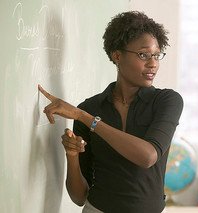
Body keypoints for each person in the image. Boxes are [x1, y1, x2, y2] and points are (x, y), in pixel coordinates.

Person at [38, 11, 183, 213]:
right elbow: (79, 197)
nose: (153, 63)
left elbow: (148, 156)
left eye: (156, 55)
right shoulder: (90, 108)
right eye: (143, 55)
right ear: (117, 55)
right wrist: (72, 155)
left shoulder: (167, 101)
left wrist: (87, 120)